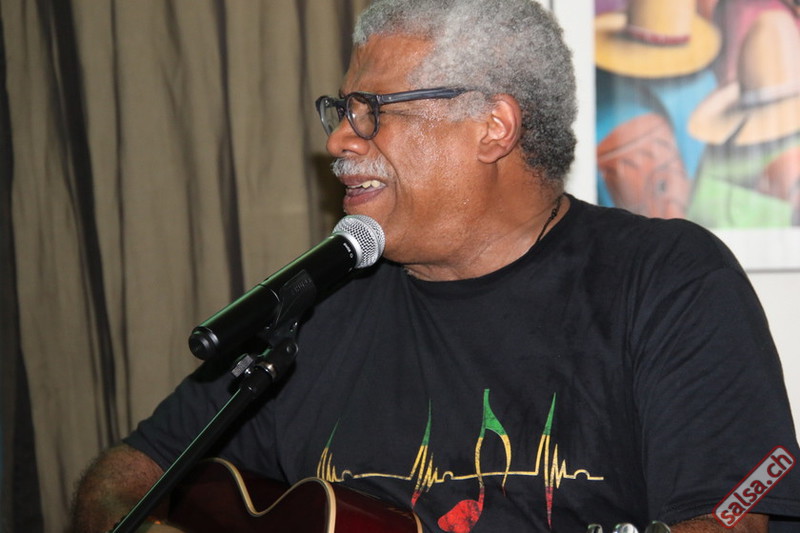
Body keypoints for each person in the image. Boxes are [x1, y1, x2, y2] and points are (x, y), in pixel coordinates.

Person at [70, 0, 800, 532]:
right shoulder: (315, 308)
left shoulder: (666, 282)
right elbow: (118, 482)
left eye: (371, 109)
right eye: (341, 110)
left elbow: (730, 515)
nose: (339, 141)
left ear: (493, 127)